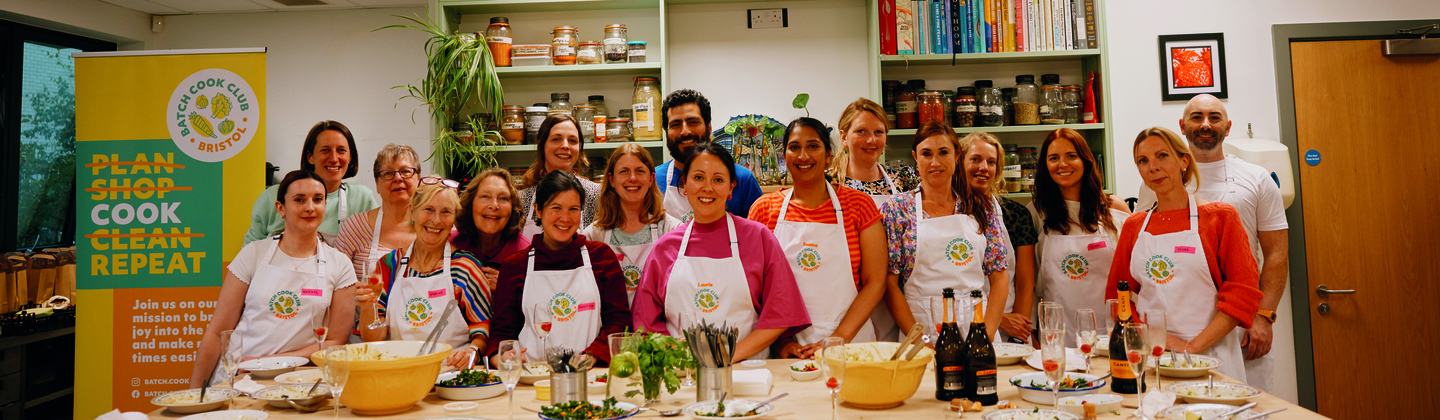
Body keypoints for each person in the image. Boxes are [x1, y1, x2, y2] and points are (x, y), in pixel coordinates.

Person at [1135, 95, 1290, 392]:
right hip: (1176, 322)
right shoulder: (1154, 181)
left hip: (1241, 320)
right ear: (1182, 126)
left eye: (1214, 117)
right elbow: (1144, 249)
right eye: (1196, 117)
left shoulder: (1256, 179)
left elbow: (1276, 254)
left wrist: (1264, 316)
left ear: (1228, 127)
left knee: (1244, 403)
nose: (1205, 124)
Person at [1107, 127, 1262, 382]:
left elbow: (1243, 294)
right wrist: (1148, 337)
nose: (1152, 167)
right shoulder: (1135, 226)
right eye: (1143, 161)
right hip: (1153, 354)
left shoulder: (1220, 218)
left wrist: (1192, 347)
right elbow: (1118, 294)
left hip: (1213, 355)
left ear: (1183, 161)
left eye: (1162, 156)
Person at [632, 142, 810, 361]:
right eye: (698, 177)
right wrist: (683, 359)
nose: (707, 188)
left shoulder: (758, 238)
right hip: (684, 374)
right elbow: (646, 322)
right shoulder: (665, 248)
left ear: (731, 188)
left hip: (747, 371)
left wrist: (724, 356)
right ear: (684, 184)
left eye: (718, 179)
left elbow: (780, 315)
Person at [191, 171, 357, 385]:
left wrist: (263, 363)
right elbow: (217, 333)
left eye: (318, 199)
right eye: (299, 200)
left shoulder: (340, 265)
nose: (310, 207)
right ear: (280, 208)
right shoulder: (253, 254)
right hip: (238, 378)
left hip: (297, 380)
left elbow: (334, 342)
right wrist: (196, 394)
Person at [750, 118, 884, 358]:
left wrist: (838, 338)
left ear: (829, 154)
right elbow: (758, 289)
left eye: (813, 146)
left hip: (851, 343)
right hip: (790, 349)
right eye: (794, 147)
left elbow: (875, 282)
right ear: (785, 154)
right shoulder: (764, 209)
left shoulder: (859, 205)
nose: (803, 156)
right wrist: (783, 343)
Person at [879, 120, 1008, 341]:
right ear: (915, 158)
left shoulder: (980, 207)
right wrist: (917, 341)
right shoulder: (897, 208)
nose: (935, 162)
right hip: (920, 327)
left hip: (977, 324)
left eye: (943, 152)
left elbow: (999, 277)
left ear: (957, 156)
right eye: (926, 154)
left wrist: (984, 336)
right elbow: (890, 284)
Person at [488, 170, 631, 363]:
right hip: (532, 377)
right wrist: (503, 356)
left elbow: (618, 322)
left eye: (573, 209)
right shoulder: (515, 266)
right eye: (556, 208)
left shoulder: (602, 257)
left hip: (588, 375)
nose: (565, 218)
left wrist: (593, 355)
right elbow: (501, 333)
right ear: (538, 210)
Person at [355, 180, 491, 369]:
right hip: (400, 372)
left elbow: (482, 327)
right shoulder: (388, 266)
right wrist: (367, 305)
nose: (436, 220)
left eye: (446, 212)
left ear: (453, 219)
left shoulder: (465, 267)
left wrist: (472, 352)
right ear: (412, 211)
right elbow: (374, 337)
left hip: (451, 373)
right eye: (428, 209)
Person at [1026, 128, 1129, 346]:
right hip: (1058, 333)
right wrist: (1031, 331)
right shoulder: (1036, 212)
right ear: (1045, 166)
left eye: (1071, 156)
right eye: (1054, 158)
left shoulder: (1114, 208)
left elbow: (1134, 274)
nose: (1062, 165)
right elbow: (1028, 281)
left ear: (1086, 160)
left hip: (1112, 328)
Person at [829, 98, 918, 342]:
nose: (872, 140)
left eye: (879, 132)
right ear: (844, 136)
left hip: (897, 291)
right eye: (862, 132)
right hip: (848, 292)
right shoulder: (827, 184)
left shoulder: (904, 181)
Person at [578, 143, 681, 306]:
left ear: (651, 178)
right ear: (612, 180)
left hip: (657, 329)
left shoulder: (671, 230)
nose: (632, 178)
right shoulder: (594, 234)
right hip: (612, 330)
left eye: (640, 171)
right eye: (624, 171)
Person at [244, 121, 377, 246]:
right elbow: (248, 253)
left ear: (350, 157)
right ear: (310, 157)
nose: (334, 158)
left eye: (341, 150)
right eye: (325, 150)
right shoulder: (274, 195)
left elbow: (379, 243)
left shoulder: (362, 198)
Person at [958, 132, 1036, 345]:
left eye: (991, 162)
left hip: (1013, 325)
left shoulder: (1016, 214)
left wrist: (1018, 333)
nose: (984, 167)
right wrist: (999, 320)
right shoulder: (945, 213)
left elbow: (1025, 282)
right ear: (959, 162)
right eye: (975, 159)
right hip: (964, 320)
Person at [652, 89, 764, 221]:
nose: (685, 131)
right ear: (666, 134)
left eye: (692, 122)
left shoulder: (743, 179)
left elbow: (758, 236)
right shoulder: (652, 180)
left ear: (709, 127)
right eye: (675, 125)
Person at [335, 143, 420, 295]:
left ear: (418, 179)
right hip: (367, 317)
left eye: (405, 171)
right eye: (387, 173)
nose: (397, 178)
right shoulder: (355, 227)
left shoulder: (434, 226)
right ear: (377, 184)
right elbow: (334, 282)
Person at [518, 114, 603, 239]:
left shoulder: (596, 195)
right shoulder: (523, 200)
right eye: (556, 139)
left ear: (579, 147)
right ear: (542, 146)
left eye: (572, 140)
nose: (565, 146)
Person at [452, 167, 532, 291]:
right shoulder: (451, 243)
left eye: (503, 198)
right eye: (485, 196)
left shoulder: (526, 254)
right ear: (471, 203)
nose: (494, 205)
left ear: (513, 208)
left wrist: (507, 287)